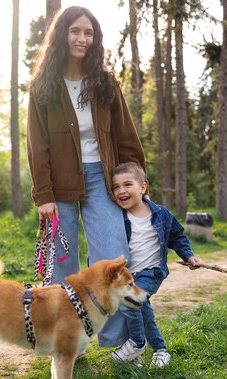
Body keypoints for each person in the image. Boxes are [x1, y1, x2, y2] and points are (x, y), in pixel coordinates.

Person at [26, 6, 145, 287]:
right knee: (61, 267)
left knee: (113, 260)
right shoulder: (43, 87)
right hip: (58, 183)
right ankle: (64, 332)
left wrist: (137, 181)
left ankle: (116, 334)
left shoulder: (106, 84)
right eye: (75, 31)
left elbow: (126, 136)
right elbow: (37, 145)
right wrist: (44, 195)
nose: (82, 38)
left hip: (103, 180)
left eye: (89, 33)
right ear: (62, 36)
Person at [104, 162, 200, 367]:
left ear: (143, 187)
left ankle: (138, 343)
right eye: (116, 187)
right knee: (144, 312)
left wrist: (188, 256)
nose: (121, 190)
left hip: (151, 272)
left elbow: (177, 236)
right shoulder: (117, 217)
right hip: (129, 274)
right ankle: (160, 350)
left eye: (127, 184)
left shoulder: (161, 214)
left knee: (130, 302)